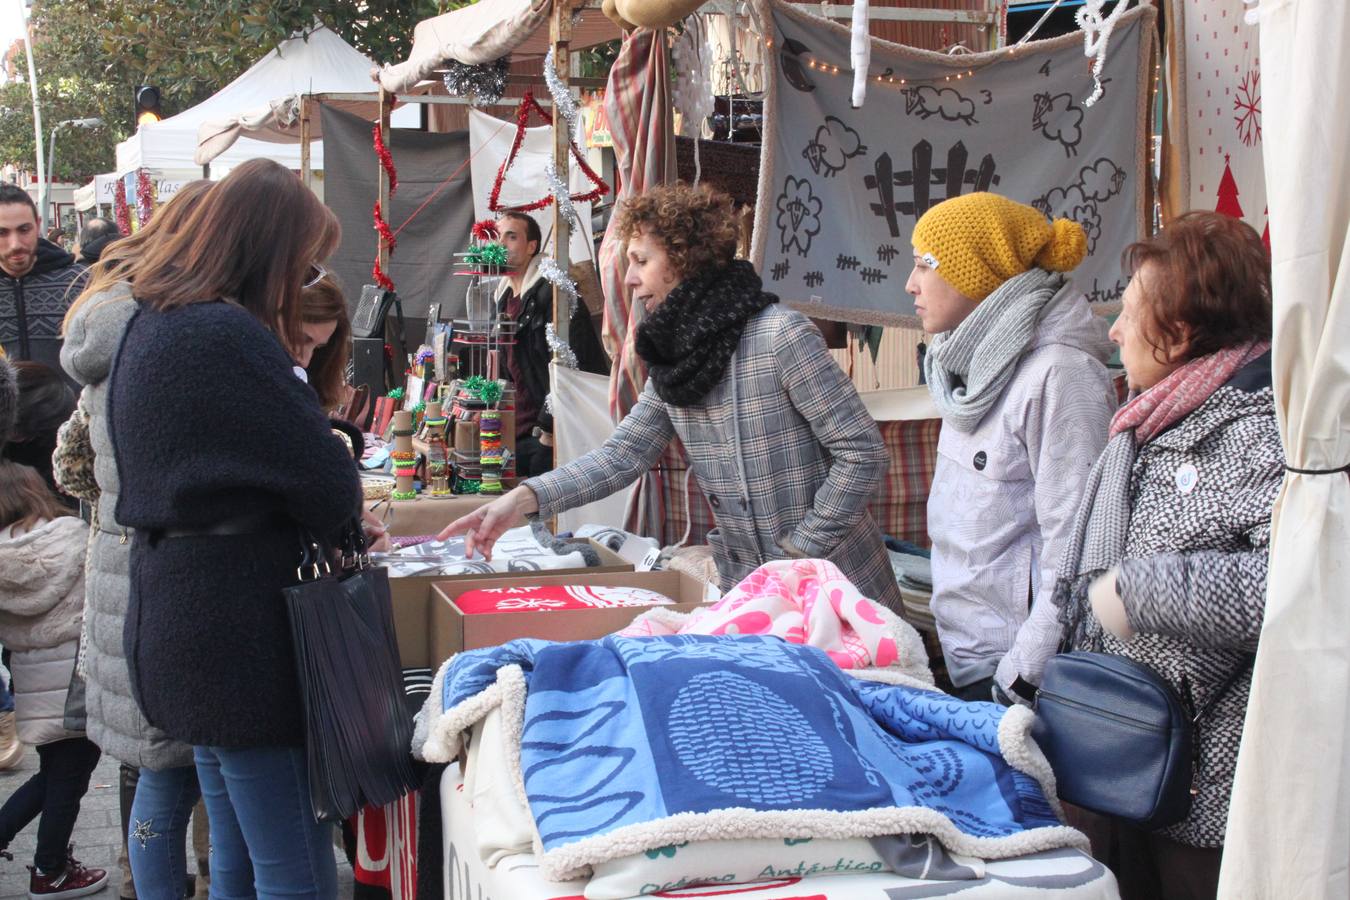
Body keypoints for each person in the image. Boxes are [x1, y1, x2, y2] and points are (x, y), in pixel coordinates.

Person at [444, 183, 902, 610]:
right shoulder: (674, 357)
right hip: (755, 592)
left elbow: (860, 452)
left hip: (838, 589)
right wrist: (520, 500)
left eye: (642, 261)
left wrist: (802, 548)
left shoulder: (781, 335)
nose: (629, 279)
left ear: (685, 260)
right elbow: (622, 456)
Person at [106, 158, 362, 897]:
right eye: (305, 261)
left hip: (186, 615)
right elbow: (326, 481)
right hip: (236, 631)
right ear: (272, 251)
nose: (306, 277)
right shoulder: (225, 333)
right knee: (293, 865)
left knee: (242, 857)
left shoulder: (156, 320)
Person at [1054, 211, 1281, 899]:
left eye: (1129, 312)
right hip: (1120, 756)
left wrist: (1142, 591)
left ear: (1180, 334)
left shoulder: (1257, 430)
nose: (1115, 331)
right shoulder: (1152, 420)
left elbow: (1303, 583)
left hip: (1201, 788)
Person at [59, 179, 214, 900]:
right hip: (170, 580)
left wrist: (106, 511)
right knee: (183, 768)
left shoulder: (110, 330)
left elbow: (74, 465)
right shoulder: (172, 333)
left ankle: (144, 885)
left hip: (122, 571)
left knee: (155, 765)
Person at [906, 192, 1117, 703]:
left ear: (978, 272)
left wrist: (1021, 678)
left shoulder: (1061, 375)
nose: (911, 284)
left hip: (1020, 678)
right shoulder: (967, 366)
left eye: (924, 265)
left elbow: (1079, 549)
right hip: (969, 657)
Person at [0, 358, 108, 897]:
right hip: (72, 677)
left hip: (31, 679)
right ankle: (50, 868)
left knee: (55, 772)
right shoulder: (65, 539)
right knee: (70, 774)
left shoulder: (5, 552)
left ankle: (49, 858)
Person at [494, 211, 609, 476]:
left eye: (511, 237)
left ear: (531, 246)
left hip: (548, 434)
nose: (501, 245)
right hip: (516, 432)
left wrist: (548, 432)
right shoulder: (503, 297)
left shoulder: (555, 294)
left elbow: (573, 365)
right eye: (497, 237)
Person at [0, 184, 87, 374]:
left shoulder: (79, 282)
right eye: (2, 233)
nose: (15, 244)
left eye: (24, 230)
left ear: (38, 225)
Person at [1, 361, 77, 499]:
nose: (21, 437)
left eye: (29, 433)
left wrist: (68, 479)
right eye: (16, 429)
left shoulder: (56, 431)